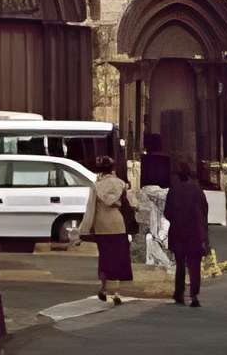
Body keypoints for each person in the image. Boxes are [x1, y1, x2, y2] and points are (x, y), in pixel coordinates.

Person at [79, 155, 134, 303]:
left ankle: (103, 289)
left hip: (102, 227)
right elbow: (133, 204)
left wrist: (83, 230)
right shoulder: (121, 184)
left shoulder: (96, 186)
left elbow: (90, 210)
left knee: (105, 258)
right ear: (113, 169)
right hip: (118, 224)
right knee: (119, 259)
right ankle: (117, 293)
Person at [165, 161, 210, 308]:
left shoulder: (173, 191)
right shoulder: (197, 190)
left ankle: (179, 293)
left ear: (178, 176)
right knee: (194, 265)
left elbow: (167, 213)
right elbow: (204, 211)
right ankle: (194, 295)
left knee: (180, 265)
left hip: (178, 232)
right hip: (195, 233)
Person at [138, 132, 173, 270]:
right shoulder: (165, 160)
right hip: (161, 192)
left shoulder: (145, 160)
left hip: (150, 191)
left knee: (157, 224)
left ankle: (156, 250)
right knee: (160, 224)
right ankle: (159, 249)